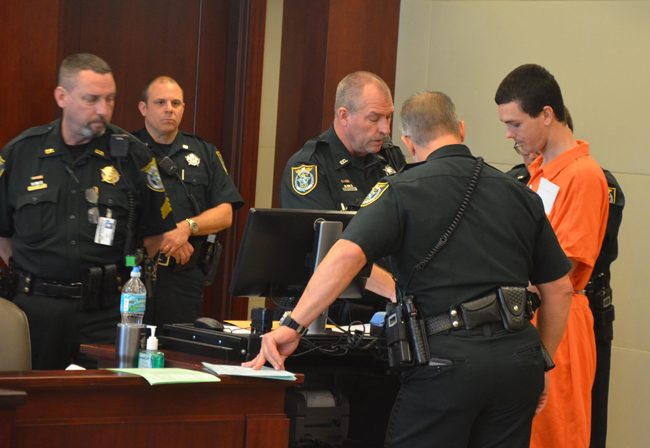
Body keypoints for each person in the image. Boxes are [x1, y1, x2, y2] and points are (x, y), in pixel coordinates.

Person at [245, 91, 574, 447]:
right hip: (517, 361)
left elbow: (344, 256)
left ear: (407, 141)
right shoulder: (519, 192)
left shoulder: (401, 190)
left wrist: (294, 325)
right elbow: (560, 288)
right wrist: (542, 360)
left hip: (445, 363)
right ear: (461, 129)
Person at [0, 53, 177, 369]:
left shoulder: (133, 156)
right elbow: (3, 233)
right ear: (61, 97)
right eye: (91, 99)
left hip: (107, 313)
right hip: (35, 310)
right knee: (31, 409)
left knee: (105, 408)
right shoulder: (21, 153)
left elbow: (153, 233)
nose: (103, 110)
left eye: (110, 99)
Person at [495, 63, 610, 448]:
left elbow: (566, 266)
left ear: (546, 115)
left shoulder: (583, 175)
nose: (510, 135)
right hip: (531, 317)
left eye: (515, 124)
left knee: (555, 433)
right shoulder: (541, 172)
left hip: (560, 321)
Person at [279, 71, 405, 324]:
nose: (385, 129)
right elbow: (330, 250)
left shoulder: (390, 158)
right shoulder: (309, 166)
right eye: (374, 118)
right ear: (344, 116)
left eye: (388, 117)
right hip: (328, 315)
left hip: (384, 311)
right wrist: (398, 291)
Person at [133, 76, 243, 325]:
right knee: (129, 350)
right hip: (135, 273)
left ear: (183, 108)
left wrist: (185, 229)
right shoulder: (129, 150)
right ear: (143, 108)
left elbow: (225, 213)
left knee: (177, 353)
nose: (169, 108)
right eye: (160, 102)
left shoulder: (204, 152)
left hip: (184, 277)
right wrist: (166, 238)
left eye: (176, 103)